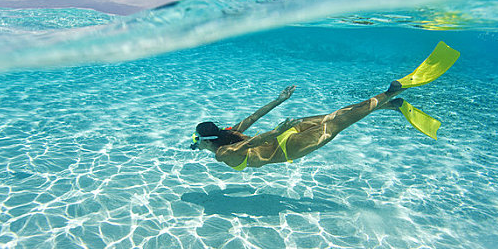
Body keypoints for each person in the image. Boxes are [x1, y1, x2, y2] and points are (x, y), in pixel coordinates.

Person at [190, 42, 460, 171]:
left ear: (205, 140)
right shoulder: (229, 132)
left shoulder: (222, 152)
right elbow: (254, 116)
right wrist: (280, 100)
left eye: (196, 140)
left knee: (339, 122)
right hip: (284, 131)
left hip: (286, 146)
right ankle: (387, 104)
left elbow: (251, 144)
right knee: (337, 115)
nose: (196, 143)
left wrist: (276, 132)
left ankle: (390, 94)